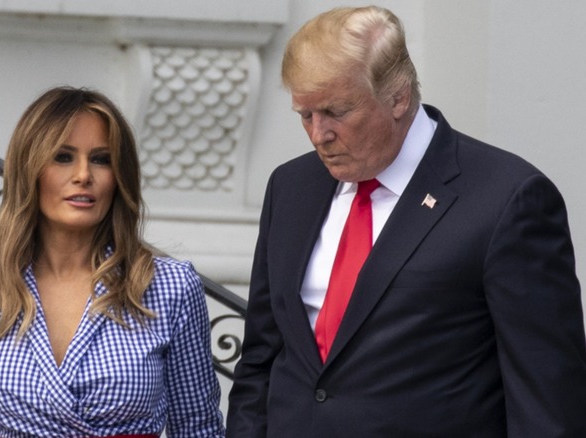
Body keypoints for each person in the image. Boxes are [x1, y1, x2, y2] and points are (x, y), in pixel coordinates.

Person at [227, 5, 586, 437]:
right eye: (305, 115)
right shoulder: (291, 186)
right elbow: (261, 360)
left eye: (336, 112)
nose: (318, 134)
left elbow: (546, 398)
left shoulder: (507, 200)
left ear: (397, 97)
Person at [0, 86, 225, 437]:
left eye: (102, 159)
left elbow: (199, 429)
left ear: (120, 178)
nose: (84, 175)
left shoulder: (169, 287)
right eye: (63, 157)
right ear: (29, 170)